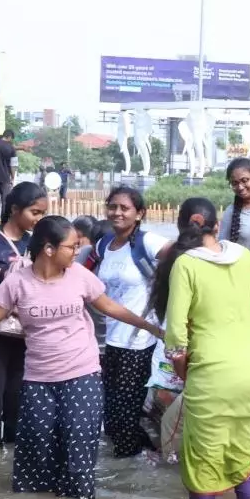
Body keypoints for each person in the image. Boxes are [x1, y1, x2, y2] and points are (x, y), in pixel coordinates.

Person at [0, 216, 161, 499]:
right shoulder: (17, 282)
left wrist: (153, 328)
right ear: (49, 248)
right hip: (38, 380)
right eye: (71, 246)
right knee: (35, 457)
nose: (77, 251)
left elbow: (110, 308)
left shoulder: (80, 275)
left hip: (82, 374)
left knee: (78, 453)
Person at [157, 197, 250, 499]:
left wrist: (181, 368)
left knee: (203, 465)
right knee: (243, 463)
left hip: (213, 375)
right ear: (217, 224)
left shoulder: (185, 263)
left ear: (182, 225)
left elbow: (175, 334)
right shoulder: (243, 255)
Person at [87, 186, 169, 458]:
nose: (117, 213)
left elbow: (184, 258)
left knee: (123, 417)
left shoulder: (148, 242)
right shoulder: (103, 245)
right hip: (109, 341)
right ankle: (139, 463)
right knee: (111, 418)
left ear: (139, 213)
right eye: (112, 207)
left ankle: (137, 468)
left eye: (124, 208)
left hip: (140, 342)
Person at [0, 182, 48, 450]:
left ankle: (15, 462)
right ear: (15, 209)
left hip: (23, 334)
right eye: (34, 212)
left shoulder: (35, 243)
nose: (39, 219)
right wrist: (7, 306)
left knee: (19, 398)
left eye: (42, 214)